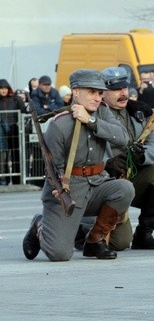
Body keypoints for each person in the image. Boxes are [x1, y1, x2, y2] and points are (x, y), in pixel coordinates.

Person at [22, 69, 135, 262]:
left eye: (100, 93)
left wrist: (91, 121)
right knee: (59, 254)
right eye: (91, 92)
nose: (97, 98)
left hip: (97, 184)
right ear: (75, 92)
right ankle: (39, 225)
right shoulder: (60, 124)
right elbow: (52, 166)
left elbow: (123, 138)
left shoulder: (102, 113)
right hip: (69, 190)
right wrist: (58, 189)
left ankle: (95, 241)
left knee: (124, 188)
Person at [92, 66, 154, 250]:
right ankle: (78, 229)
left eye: (124, 88)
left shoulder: (139, 113)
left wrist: (143, 156)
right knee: (119, 243)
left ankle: (145, 234)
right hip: (105, 184)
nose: (123, 93)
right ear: (103, 93)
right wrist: (107, 164)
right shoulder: (93, 117)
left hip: (133, 178)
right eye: (116, 89)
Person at [0, 79, 28, 186]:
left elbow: (24, 113)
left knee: (16, 155)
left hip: (15, 131)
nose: (3, 91)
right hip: (2, 133)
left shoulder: (16, 99)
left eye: (5, 88)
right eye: (1, 88)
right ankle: (4, 180)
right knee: (3, 157)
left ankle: (17, 181)